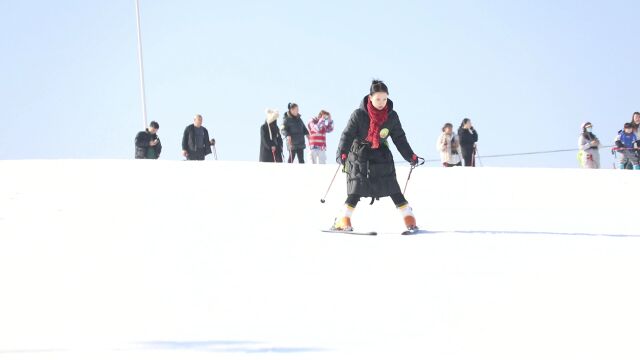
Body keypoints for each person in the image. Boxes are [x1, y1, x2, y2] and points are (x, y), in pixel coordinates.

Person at [332, 80, 421, 232]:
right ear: (370, 97)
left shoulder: (391, 116)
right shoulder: (359, 114)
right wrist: (342, 152)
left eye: (384, 99)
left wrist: (410, 156)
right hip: (359, 154)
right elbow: (347, 134)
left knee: (392, 186)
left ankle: (409, 218)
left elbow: (399, 138)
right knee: (356, 187)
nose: (381, 102)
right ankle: (343, 219)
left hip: (381, 153)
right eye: (378, 99)